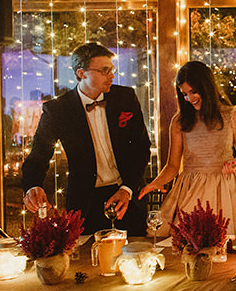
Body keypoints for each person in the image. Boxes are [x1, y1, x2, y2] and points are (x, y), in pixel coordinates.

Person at [21, 43, 151, 235]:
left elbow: (141, 148)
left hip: (127, 196)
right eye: (104, 70)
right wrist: (33, 185)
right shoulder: (58, 110)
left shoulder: (126, 97)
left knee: (135, 250)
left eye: (112, 69)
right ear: (81, 73)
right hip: (86, 202)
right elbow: (38, 155)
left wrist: (127, 189)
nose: (111, 75)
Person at [139, 61, 236, 239]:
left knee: (228, 244)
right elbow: (173, 165)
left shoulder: (231, 116)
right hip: (191, 190)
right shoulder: (179, 121)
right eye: (184, 94)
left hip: (225, 190)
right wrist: (156, 183)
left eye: (193, 92)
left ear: (207, 87)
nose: (189, 98)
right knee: (187, 241)